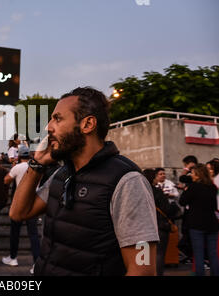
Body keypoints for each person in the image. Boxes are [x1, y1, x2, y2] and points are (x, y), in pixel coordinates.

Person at [9, 87, 159, 276]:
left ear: (87, 124)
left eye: (58, 118)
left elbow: (143, 269)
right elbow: (18, 213)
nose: (48, 127)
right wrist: (37, 164)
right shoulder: (62, 175)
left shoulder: (127, 181)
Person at [3, 145, 40, 274]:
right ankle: (36, 263)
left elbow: (6, 180)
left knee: (15, 232)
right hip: (33, 203)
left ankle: (13, 258)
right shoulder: (35, 167)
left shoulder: (17, 167)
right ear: (29, 155)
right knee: (33, 234)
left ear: (19, 156)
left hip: (19, 203)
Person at [179, 164, 219, 276]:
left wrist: (186, 189)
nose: (191, 175)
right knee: (213, 254)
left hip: (197, 224)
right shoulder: (212, 187)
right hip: (212, 223)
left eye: (193, 173)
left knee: (198, 253)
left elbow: (182, 201)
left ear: (197, 174)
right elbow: (214, 205)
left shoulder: (193, 187)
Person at [143, 168, 180, 276]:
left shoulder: (139, 191)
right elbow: (166, 209)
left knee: (145, 255)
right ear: (152, 178)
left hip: (143, 226)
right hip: (159, 225)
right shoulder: (157, 191)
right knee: (159, 253)